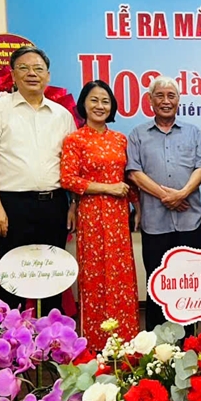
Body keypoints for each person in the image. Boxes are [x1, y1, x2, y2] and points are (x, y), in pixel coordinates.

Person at [0, 46, 77, 315]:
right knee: (12, 277)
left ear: (48, 75)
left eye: (38, 69)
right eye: (24, 68)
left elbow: (72, 164)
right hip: (12, 205)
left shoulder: (62, 115)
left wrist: (73, 204)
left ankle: (52, 336)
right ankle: (10, 338)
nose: (32, 73)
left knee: (53, 276)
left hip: (54, 204)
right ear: (13, 74)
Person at [61, 80, 141, 350]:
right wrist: (107, 188)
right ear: (83, 104)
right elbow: (68, 179)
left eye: (105, 101)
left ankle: (126, 341)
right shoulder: (74, 140)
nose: (100, 106)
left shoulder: (120, 139)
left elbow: (127, 178)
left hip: (118, 215)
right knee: (94, 276)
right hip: (91, 214)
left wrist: (137, 206)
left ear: (112, 106)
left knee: (121, 275)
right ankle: (95, 343)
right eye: (94, 100)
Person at [127, 75, 201, 331]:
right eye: (160, 96)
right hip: (155, 222)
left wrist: (182, 193)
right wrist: (168, 197)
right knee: (157, 283)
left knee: (190, 283)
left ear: (178, 100)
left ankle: (190, 340)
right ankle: (157, 342)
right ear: (150, 100)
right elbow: (134, 173)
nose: (166, 101)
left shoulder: (193, 132)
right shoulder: (138, 134)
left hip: (190, 221)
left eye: (171, 96)